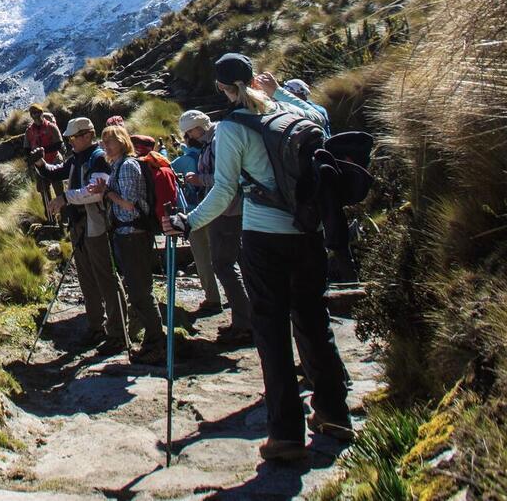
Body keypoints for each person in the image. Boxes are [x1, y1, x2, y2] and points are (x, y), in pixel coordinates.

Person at [169, 54, 353, 462]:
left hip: (263, 236)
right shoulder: (290, 113)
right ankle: (334, 412)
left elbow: (223, 191)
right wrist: (281, 91)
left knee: (272, 332)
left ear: (223, 88)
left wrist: (188, 222)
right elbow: (320, 121)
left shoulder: (232, 128)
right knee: (314, 320)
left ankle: (285, 434)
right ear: (254, 79)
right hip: (307, 232)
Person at [42, 116, 126, 351]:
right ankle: (96, 326)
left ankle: (118, 331)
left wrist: (65, 198)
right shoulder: (77, 158)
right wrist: (40, 164)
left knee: (105, 276)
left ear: (88, 135)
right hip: (80, 223)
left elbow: (95, 192)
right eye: (69, 138)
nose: (71, 141)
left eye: (75, 137)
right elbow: (56, 172)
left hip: (94, 223)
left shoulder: (98, 158)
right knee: (87, 278)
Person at [90, 124, 165, 365]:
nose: (105, 146)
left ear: (122, 142)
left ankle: (157, 344)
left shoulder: (128, 166)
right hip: (127, 234)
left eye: (110, 141)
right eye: (104, 142)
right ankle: (152, 341)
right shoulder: (118, 166)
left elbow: (129, 204)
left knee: (141, 291)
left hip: (133, 234)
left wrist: (107, 193)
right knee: (137, 289)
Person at [178, 108, 251, 336]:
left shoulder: (218, 141)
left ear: (197, 128)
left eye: (189, 133)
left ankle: (244, 323)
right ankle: (250, 316)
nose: (189, 138)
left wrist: (200, 180)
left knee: (223, 264)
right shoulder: (214, 140)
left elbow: (230, 178)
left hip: (228, 209)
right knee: (237, 261)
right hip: (228, 207)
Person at [24, 104, 65, 214]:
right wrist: (32, 158)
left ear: (42, 113)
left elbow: (59, 144)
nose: (36, 115)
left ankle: (65, 215)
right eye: (33, 113)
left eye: (38, 112)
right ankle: (50, 216)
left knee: (59, 190)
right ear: (31, 115)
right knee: (44, 192)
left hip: (54, 161)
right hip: (39, 164)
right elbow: (26, 149)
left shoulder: (51, 127)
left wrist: (42, 151)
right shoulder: (29, 131)